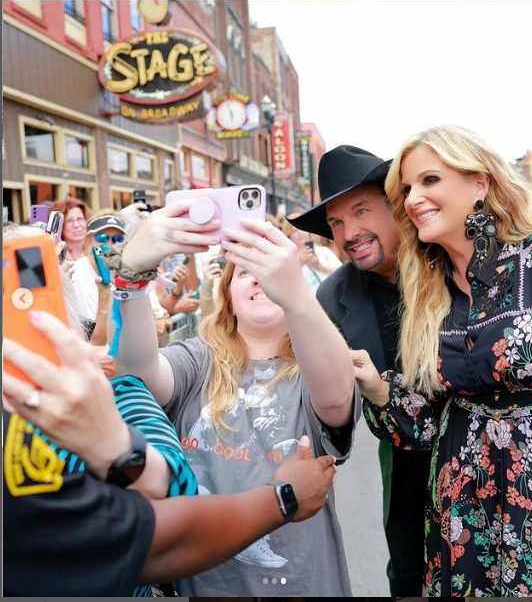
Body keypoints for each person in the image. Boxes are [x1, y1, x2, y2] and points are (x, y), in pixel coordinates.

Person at [109, 204, 361, 596]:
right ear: (226, 292)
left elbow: (336, 396)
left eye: (270, 272)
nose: (260, 281)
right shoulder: (197, 358)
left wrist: (295, 293)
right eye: (245, 272)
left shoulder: (315, 365)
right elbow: (138, 375)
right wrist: (133, 278)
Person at [3, 310, 336, 596]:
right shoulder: (194, 359)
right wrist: (284, 497)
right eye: (245, 273)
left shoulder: (119, 395)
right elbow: (158, 524)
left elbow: (169, 487)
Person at [353, 125, 532, 596]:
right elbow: (428, 422)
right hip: (463, 508)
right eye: (407, 189)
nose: (415, 197)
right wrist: (378, 388)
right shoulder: (427, 293)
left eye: (430, 180)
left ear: (479, 182)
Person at [288, 145, 431, 596]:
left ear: (395, 205)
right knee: (409, 570)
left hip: (489, 451)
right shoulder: (331, 298)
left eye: (361, 210)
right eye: (335, 223)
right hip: (406, 457)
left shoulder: (451, 260)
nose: (349, 232)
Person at [282, 212, 341, 294]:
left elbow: (342, 277)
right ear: (288, 235)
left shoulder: (324, 251)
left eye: (302, 228)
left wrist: (319, 266)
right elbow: (284, 288)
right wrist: (299, 262)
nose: (300, 233)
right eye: (295, 230)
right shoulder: (285, 258)